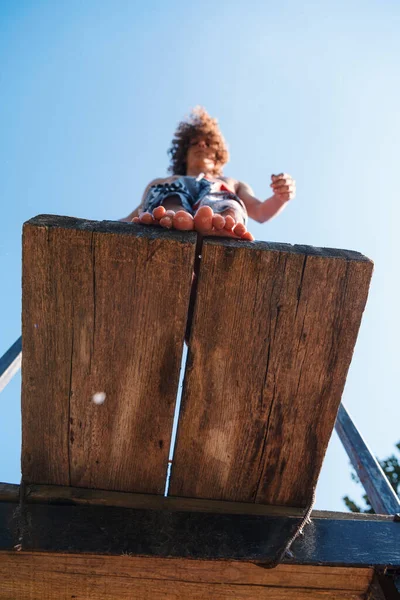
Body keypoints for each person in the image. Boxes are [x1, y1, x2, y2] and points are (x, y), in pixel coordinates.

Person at [120, 107, 296, 241]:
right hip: (168, 203)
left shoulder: (233, 183)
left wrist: (281, 197)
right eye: (194, 143)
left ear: (217, 154)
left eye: (208, 143)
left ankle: (226, 220)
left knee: (228, 202)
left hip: (219, 200)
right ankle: (173, 215)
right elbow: (130, 217)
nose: (201, 146)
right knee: (168, 195)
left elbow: (260, 212)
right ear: (184, 154)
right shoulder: (161, 181)